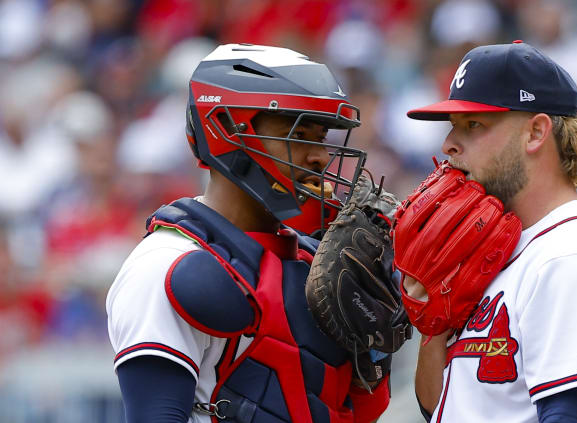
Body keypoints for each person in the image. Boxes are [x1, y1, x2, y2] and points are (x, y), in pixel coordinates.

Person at [106, 44, 393, 423]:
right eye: (298, 132)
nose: (321, 156)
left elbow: (362, 412)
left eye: (321, 137)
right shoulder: (165, 264)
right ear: (225, 129)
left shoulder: (323, 262)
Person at [401, 41, 577, 422]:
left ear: (535, 133)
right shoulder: (493, 253)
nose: (449, 144)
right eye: (453, 126)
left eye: (473, 125)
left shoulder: (574, 258)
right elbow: (442, 409)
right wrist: (434, 328)